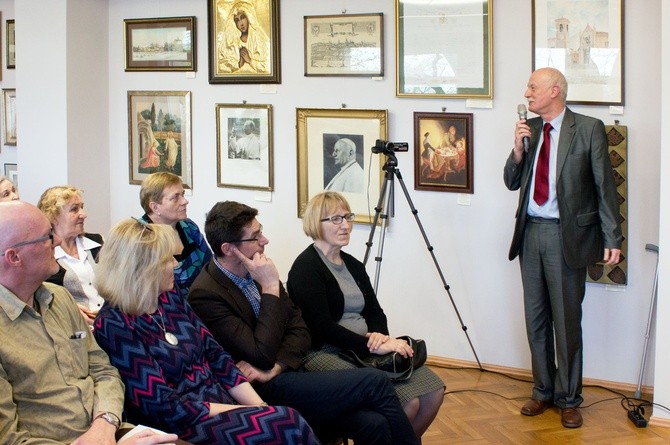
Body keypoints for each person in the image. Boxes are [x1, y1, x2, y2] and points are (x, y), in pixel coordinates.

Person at [189, 201, 421, 445]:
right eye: (255, 237)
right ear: (228, 248)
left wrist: (278, 364)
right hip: (257, 390)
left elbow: (300, 328)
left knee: (374, 423)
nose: (265, 240)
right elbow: (259, 355)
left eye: (261, 231)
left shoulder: (256, 270)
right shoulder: (207, 293)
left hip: (283, 371)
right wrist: (269, 287)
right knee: (374, 380)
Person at [93, 218, 319, 445]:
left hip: (217, 403)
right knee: (288, 422)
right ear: (141, 269)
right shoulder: (114, 323)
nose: (175, 264)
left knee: (283, 420)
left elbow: (217, 357)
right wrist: (241, 412)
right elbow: (162, 404)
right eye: (167, 260)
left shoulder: (169, 298)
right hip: (180, 421)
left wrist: (259, 407)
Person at [0, 201, 178, 445]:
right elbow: (8, 438)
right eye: (47, 237)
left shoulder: (59, 298)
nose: (58, 242)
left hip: (110, 431)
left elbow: (103, 370)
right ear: (14, 257)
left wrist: (105, 422)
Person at [503, 67, 623, 429]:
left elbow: (605, 187)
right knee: (536, 318)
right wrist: (517, 151)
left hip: (566, 237)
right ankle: (542, 391)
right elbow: (511, 181)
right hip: (531, 234)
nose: (526, 94)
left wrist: (612, 238)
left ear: (555, 91)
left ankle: (569, 398)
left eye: (532, 87)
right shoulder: (531, 130)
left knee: (567, 322)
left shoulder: (587, 129)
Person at [287, 191, 445, 438]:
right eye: (336, 219)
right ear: (316, 224)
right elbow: (321, 328)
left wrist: (381, 338)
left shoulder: (353, 264)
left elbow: (374, 310)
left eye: (347, 216)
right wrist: (372, 346)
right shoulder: (306, 268)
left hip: (364, 347)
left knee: (434, 391)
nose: (346, 225)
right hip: (325, 351)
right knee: (410, 402)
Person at [38, 185, 105, 326]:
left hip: (110, 321)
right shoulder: (45, 255)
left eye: (82, 207)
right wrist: (71, 309)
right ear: (53, 217)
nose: (83, 214)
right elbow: (43, 298)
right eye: (74, 209)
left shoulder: (98, 242)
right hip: (74, 326)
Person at [139, 172, 212, 298]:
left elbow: (209, 268)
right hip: (163, 310)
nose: (185, 201)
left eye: (183, 194)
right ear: (155, 207)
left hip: (201, 302)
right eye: (175, 197)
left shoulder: (189, 227)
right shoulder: (139, 237)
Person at [217, 1, 270, 74]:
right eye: (237, 20)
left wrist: (249, 60)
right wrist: (239, 64)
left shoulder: (259, 39)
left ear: (248, 17)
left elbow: (268, 66)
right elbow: (221, 66)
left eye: (243, 17)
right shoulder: (231, 42)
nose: (241, 23)